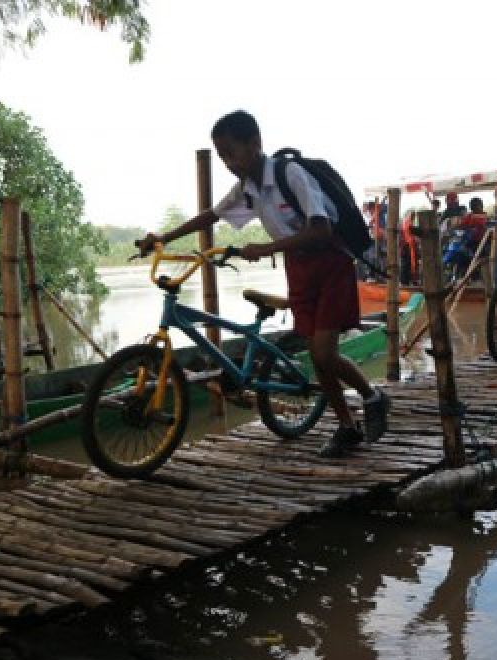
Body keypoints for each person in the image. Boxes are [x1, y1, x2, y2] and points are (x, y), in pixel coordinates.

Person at [139, 110, 390, 458]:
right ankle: (348, 425)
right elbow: (212, 214)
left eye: (231, 152)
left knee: (323, 352)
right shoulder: (248, 189)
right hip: (299, 269)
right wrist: (163, 237)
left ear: (255, 143)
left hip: (331, 263)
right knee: (319, 358)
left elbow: (321, 228)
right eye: (222, 155)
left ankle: (373, 397)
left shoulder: (291, 174)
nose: (227, 162)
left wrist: (266, 248)